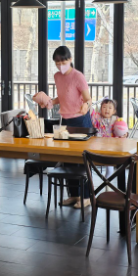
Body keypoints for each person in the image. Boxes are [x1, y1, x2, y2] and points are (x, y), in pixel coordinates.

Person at [49, 46, 93, 208]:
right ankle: (74, 195)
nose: (61, 65)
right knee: (68, 159)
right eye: (57, 63)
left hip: (81, 121)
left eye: (63, 62)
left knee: (82, 160)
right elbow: (63, 96)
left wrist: (86, 105)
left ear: (70, 59)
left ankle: (86, 197)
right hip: (66, 121)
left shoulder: (78, 76)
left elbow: (88, 99)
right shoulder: (57, 76)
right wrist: (50, 102)